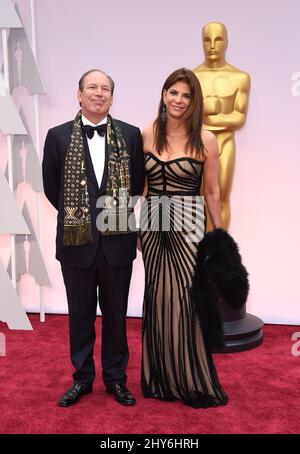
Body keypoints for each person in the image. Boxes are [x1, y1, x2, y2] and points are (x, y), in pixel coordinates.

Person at [42, 69, 145, 407]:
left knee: (116, 316)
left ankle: (116, 380)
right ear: (79, 94)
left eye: (105, 89)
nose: (99, 93)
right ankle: (82, 379)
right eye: (92, 87)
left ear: (112, 97)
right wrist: (81, 219)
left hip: (118, 245)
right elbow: (52, 187)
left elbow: (137, 186)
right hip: (77, 245)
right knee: (79, 315)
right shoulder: (57, 137)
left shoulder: (130, 135)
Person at [140, 68, 228, 408]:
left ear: (194, 102)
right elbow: (143, 186)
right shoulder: (148, 133)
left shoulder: (205, 138)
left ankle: (191, 378)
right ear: (164, 95)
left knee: (187, 300)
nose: (178, 100)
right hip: (153, 224)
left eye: (185, 95)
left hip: (188, 222)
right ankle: (160, 377)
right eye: (172, 92)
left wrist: (219, 237)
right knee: (158, 297)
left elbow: (212, 190)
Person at [193, 22, 250, 230]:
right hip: (198, 143)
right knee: (199, 198)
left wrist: (209, 114)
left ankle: (220, 253)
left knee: (221, 197)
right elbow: (186, 117)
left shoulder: (239, 78)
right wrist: (210, 112)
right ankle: (201, 253)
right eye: (207, 40)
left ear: (226, 42)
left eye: (218, 39)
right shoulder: (193, 77)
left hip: (224, 142)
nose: (213, 45)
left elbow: (238, 118)